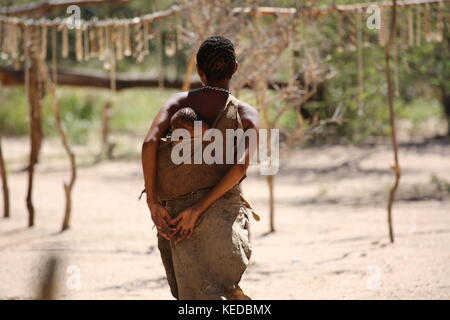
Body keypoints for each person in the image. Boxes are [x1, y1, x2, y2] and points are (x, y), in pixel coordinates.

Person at [141, 36, 259, 300]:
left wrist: (152, 202)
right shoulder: (246, 113)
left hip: (176, 215)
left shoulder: (177, 104)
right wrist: (201, 208)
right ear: (235, 68)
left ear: (199, 71)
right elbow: (241, 168)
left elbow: (149, 144)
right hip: (222, 216)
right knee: (215, 289)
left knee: (191, 295)